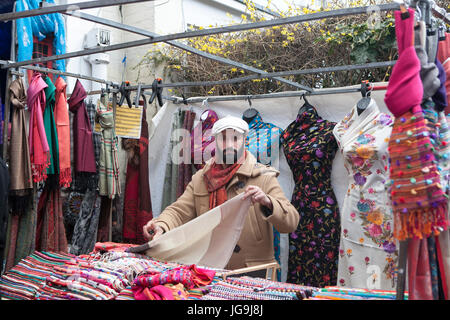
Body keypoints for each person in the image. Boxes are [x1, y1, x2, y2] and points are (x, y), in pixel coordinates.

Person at [143, 115, 300, 270]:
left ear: (244, 140)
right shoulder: (202, 179)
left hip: (252, 270)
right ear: (215, 142)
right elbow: (179, 211)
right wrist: (161, 225)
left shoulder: (263, 177)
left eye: (235, 139)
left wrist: (268, 202)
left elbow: (291, 222)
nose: (229, 144)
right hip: (210, 267)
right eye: (223, 139)